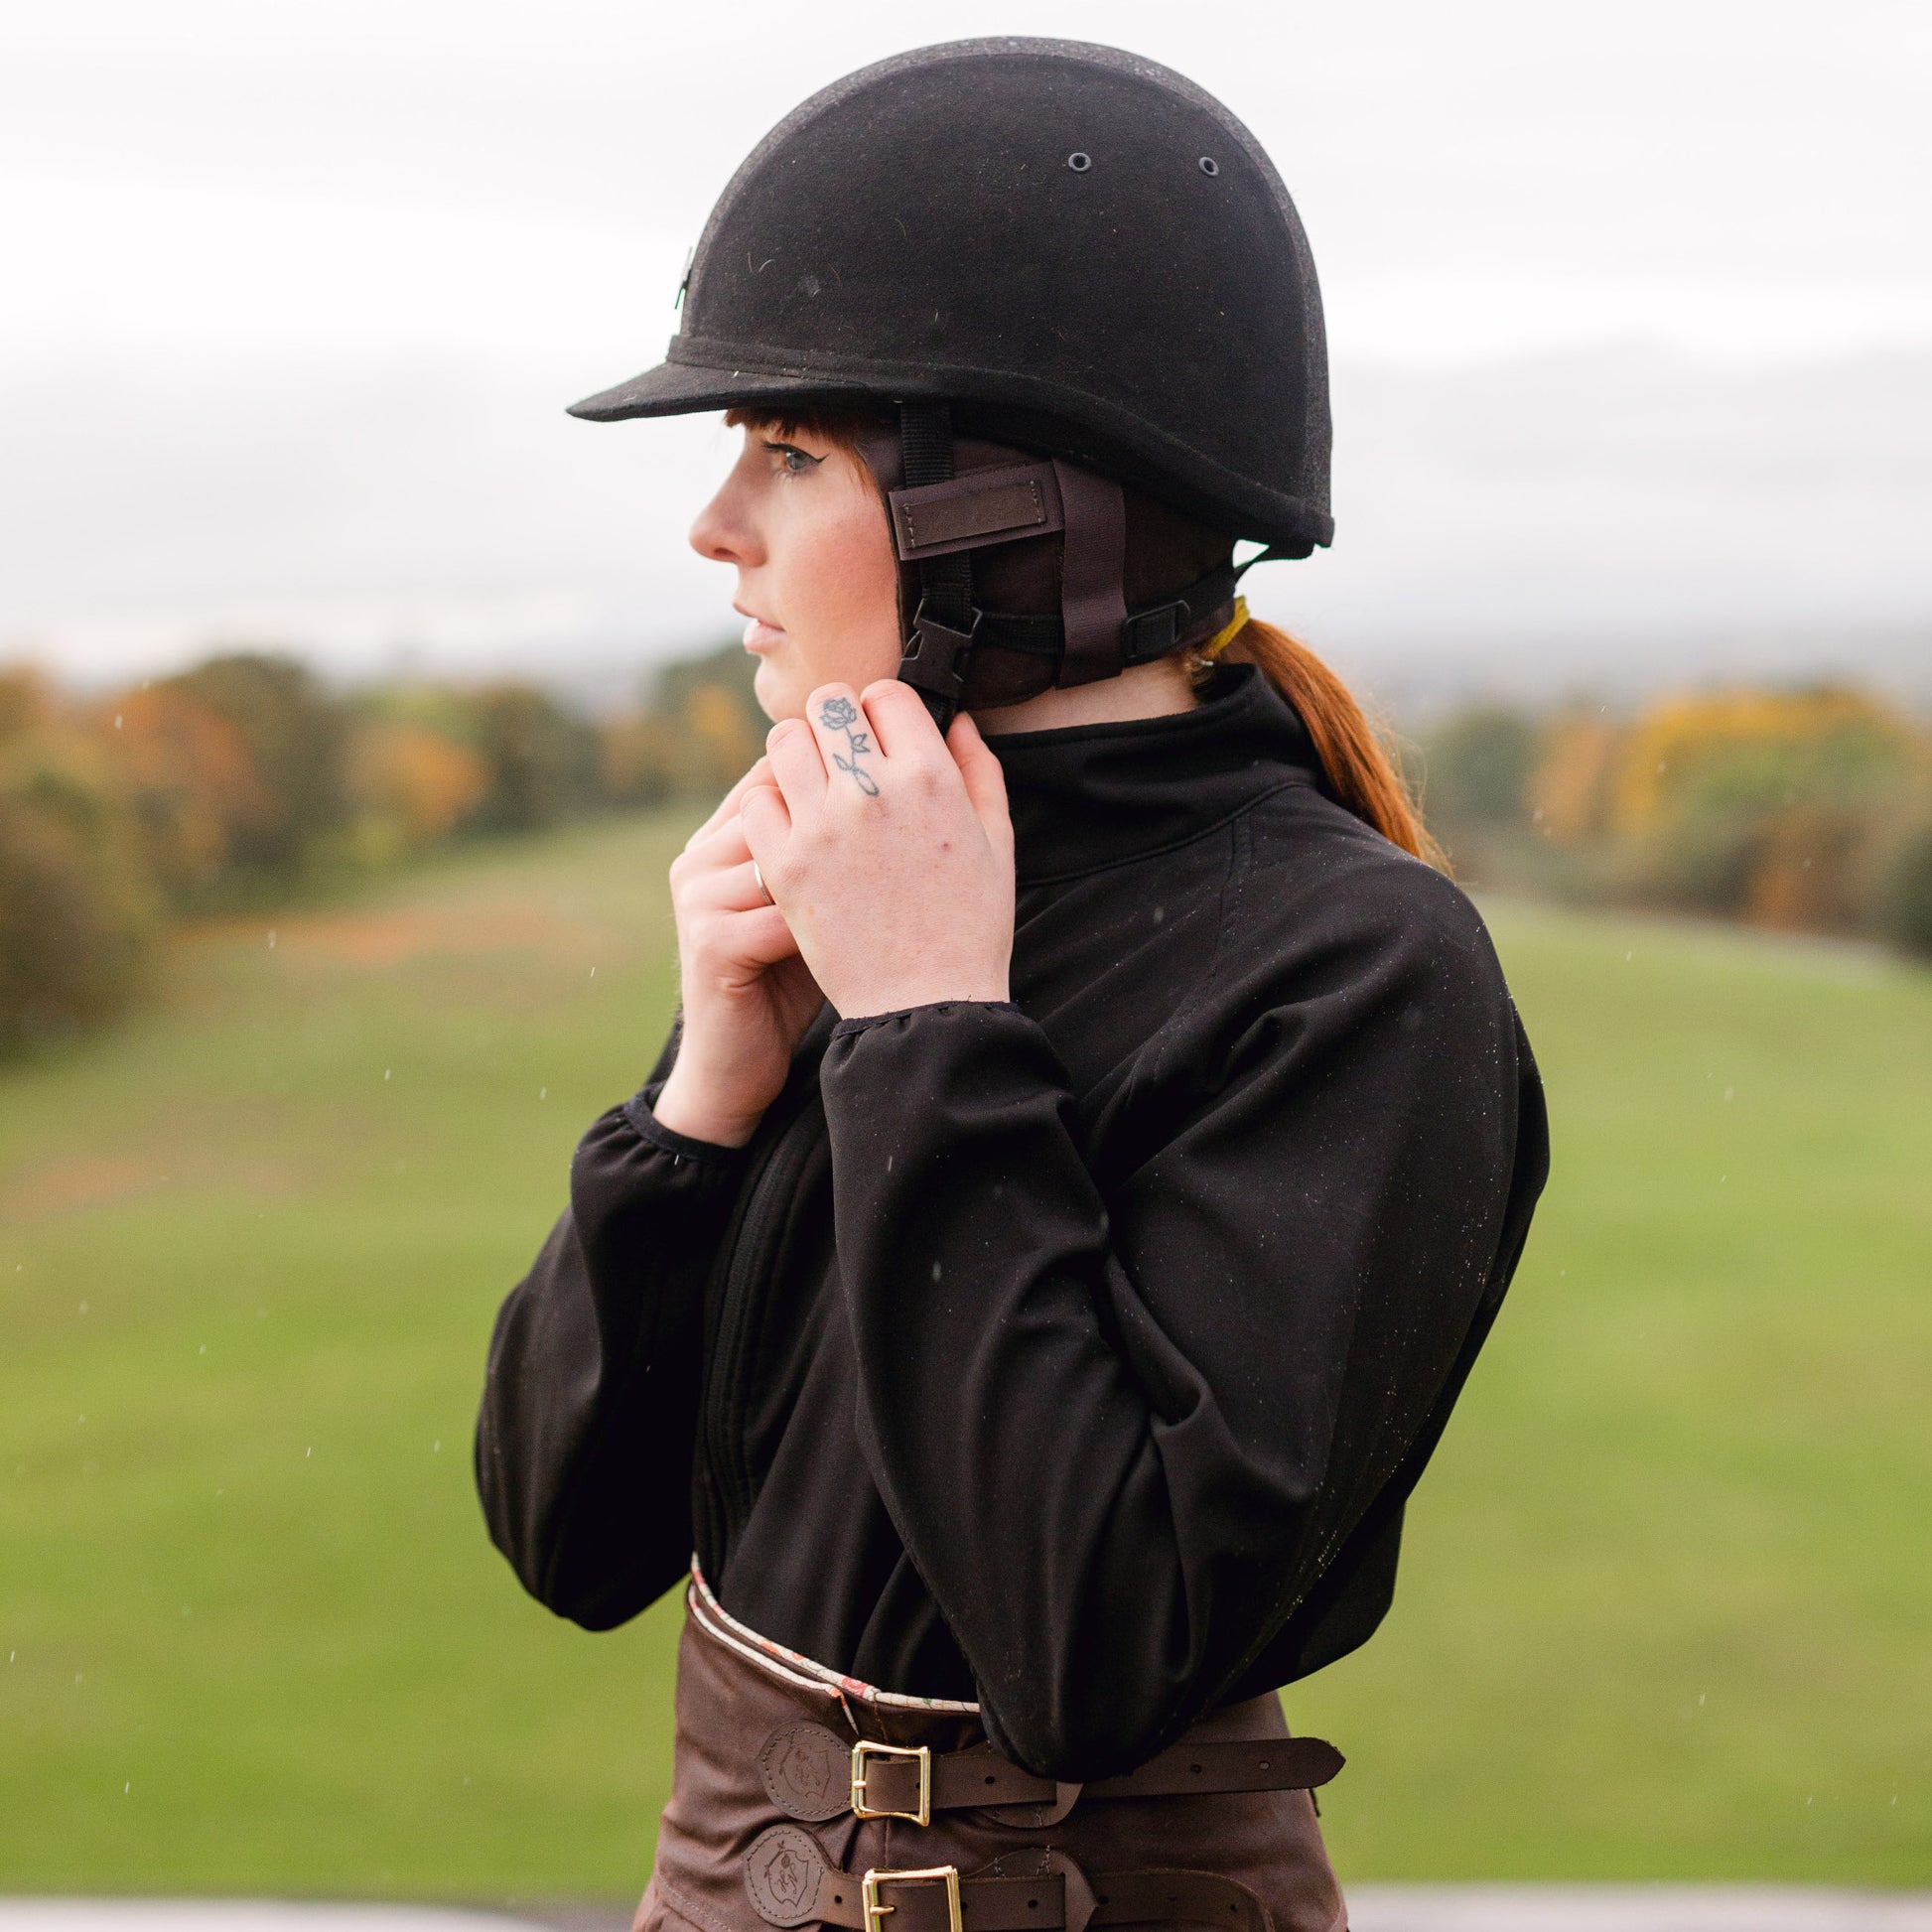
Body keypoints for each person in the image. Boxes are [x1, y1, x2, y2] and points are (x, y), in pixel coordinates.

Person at [477, 38, 1548, 1932]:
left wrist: (924, 1042)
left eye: (788, 451)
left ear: (1027, 508)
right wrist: (699, 1102)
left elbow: (1090, 1645)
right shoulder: (858, 869)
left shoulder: (1356, 976)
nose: (713, 527)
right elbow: (566, 1533)